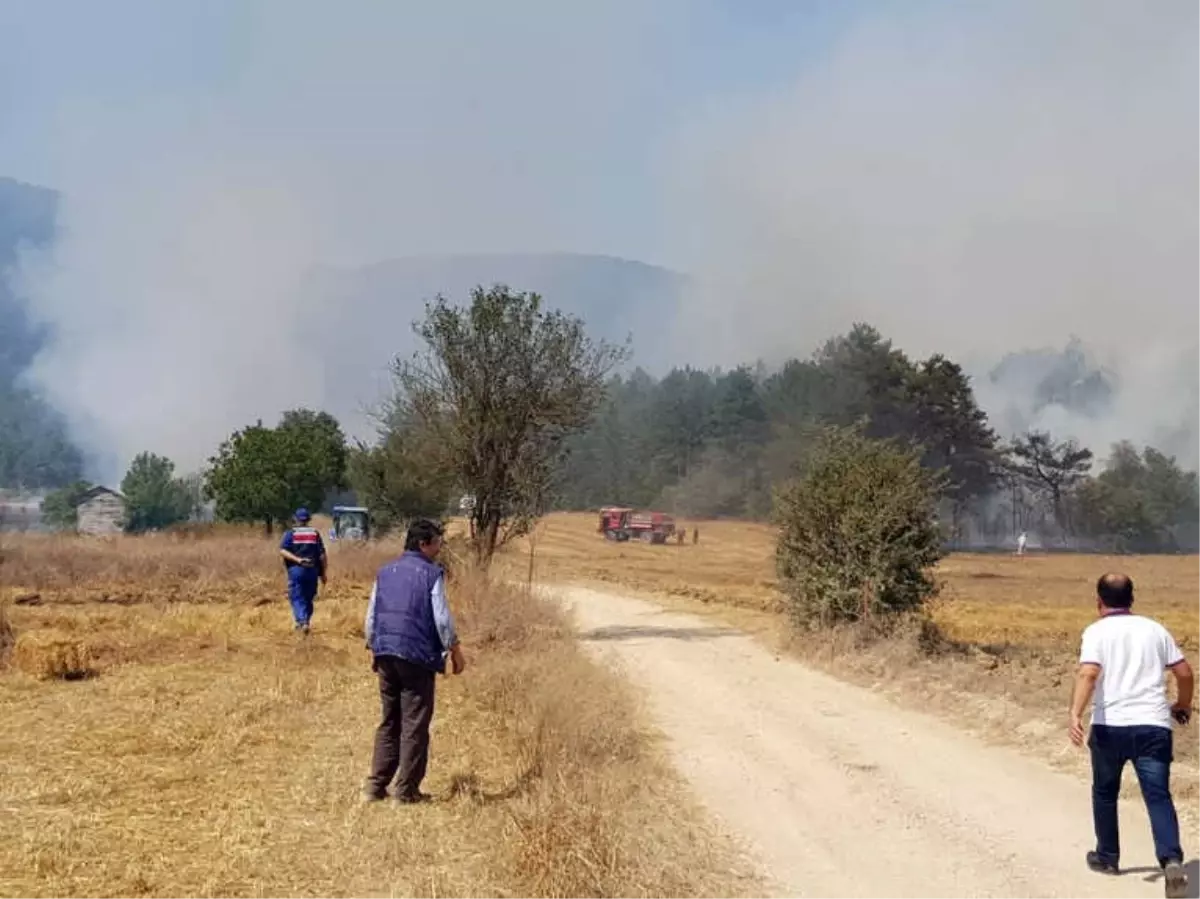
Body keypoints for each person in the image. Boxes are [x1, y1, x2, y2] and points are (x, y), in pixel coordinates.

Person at [1069, 572, 1192, 897]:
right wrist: (1182, 705)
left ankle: (1107, 856)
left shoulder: (1096, 632)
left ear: (1099, 602)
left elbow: (1089, 673)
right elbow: (1184, 672)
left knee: (1105, 793)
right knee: (1158, 796)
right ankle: (1171, 860)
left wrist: (1075, 713)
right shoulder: (1155, 630)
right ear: (1132, 599)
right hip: (1153, 726)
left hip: (1111, 727)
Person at [362, 518, 465, 803]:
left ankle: (374, 787)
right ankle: (405, 791)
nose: (439, 548)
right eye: (437, 543)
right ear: (424, 544)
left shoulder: (385, 572)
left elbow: (371, 616)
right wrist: (455, 651)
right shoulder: (431, 574)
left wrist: (374, 647)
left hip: (385, 652)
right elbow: (442, 619)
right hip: (416, 655)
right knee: (414, 723)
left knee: (389, 720)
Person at [279, 508, 327, 634]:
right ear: (308, 520)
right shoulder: (315, 534)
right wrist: (323, 574)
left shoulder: (291, 533)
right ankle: (305, 621)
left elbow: (283, 551)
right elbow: (322, 556)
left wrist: (298, 560)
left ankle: (302, 621)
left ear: (296, 519)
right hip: (313, 570)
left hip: (297, 570)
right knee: (308, 597)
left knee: (297, 596)